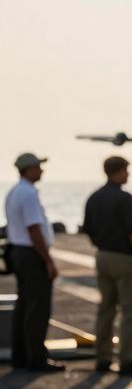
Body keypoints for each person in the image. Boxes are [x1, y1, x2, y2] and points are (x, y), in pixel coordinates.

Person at [83, 156, 132, 375]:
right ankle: (128, 359)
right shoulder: (124, 199)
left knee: (106, 308)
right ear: (119, 171)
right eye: (126, 170)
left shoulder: (94, 197)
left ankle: (103, 359)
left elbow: (88, 229)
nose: (128, 174)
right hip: (124, 259)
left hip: (102, 257)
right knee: (131, 310)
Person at [4, 152, 63, 372]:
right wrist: (48, 260)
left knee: (24, 306)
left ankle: (20, 356)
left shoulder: (14, 192)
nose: (41, 170)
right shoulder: (28, 194)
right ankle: (36, 359)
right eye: (38, 166)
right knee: (38, 308)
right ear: (29, 169)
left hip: (19, 252)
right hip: (31, 254)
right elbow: (34, 229)